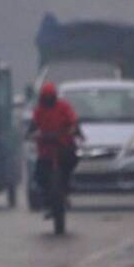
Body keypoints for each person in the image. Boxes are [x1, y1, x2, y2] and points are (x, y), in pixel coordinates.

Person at [28, 82, 82, 216]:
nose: (47, 100)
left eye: (49, 97)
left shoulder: (64, 107)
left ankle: (66, 187)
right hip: (46, 150)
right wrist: (31, 134)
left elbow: (74, 121)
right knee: (39, 175)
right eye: (45, 97)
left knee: (71, 161)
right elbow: (33, 126)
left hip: (63, 147)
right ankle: (47, 197)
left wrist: (74, 130)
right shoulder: (39, 110)